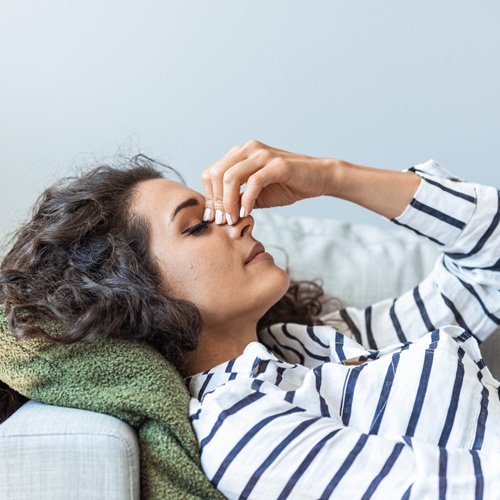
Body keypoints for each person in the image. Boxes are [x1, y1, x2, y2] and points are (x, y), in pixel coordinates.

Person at [1, 140, 500, 499]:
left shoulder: (309, 344)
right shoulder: (245, 431)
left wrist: (333, 176)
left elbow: (487, 274)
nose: (238, 218)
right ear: (132, 294)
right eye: (196, 226)